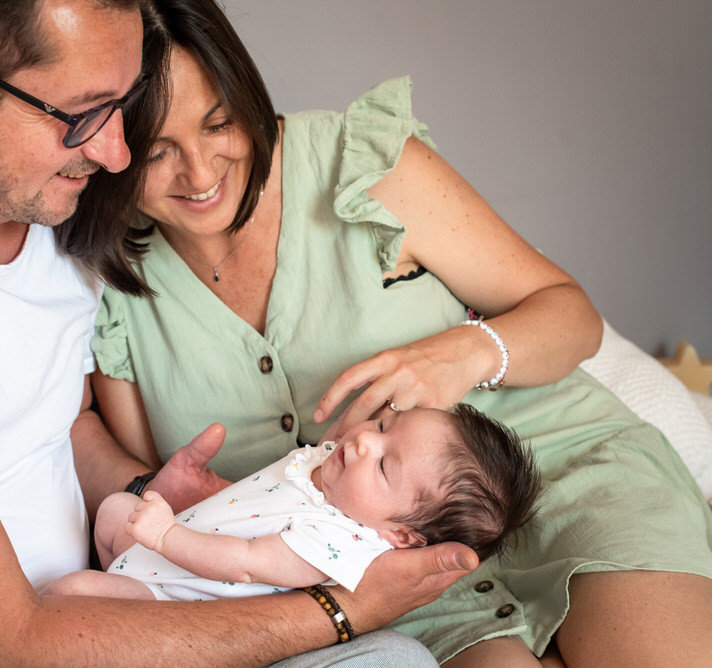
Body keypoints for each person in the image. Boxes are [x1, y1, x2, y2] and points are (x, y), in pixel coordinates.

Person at [0, 1, 478, 666]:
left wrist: (140, 489)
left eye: (121, 108)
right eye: (82, 114)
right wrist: (340, 610)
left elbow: (58, 418)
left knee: (393, 661)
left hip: (70, 614)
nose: (116, 153)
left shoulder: (55, 213)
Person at [84, 0, 712, 665]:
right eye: (159, 151)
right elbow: (122, 460)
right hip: (381, 579)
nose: (203, 172)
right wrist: (159, 496)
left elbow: (571, 316)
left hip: (566, 475)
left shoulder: (360, 167)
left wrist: (464, 354)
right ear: (111, 147)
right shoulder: (118, 286)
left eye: (221, 123)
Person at [48, 403, 540, 603]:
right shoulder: (333, 468)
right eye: (387, 426)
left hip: (169, 602)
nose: (366, 442)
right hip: (167, 552)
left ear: (401, 536)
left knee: (71, 591)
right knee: (114, 509)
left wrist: (166, 535)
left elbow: (243, 564)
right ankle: (120, 569)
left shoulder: (336, 543)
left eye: (386, 466)